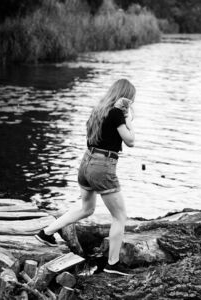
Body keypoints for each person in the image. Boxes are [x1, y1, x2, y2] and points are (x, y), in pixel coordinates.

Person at [35, 79, 136, 276]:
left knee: (86, 208)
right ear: (125, 98)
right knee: (120, 217)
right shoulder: (117, 113)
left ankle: (45, 233)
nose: (133, 102)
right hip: (102, 166)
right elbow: (131, 141)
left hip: (86, 162)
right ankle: (112, 265)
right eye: (131, 99)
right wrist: (128, 118)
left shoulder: (99, 109)